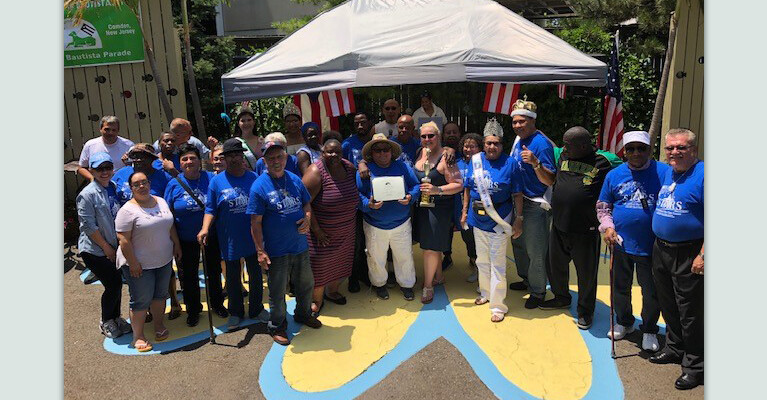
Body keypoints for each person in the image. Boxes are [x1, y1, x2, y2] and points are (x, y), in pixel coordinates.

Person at [597, 130, 666, 352]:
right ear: (624, 151)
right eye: (631, 149)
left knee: (651, 290)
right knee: (620, 286)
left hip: (651, 245)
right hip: (620, 243)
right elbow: (603, 206)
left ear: (649, 150)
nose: (636, 153)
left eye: (641, 148)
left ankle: (648, 329)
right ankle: (624, 321)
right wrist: (607, 227)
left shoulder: (664, 172)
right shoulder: (614, 175)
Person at [248, 139, 321, 345]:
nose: (276, 161)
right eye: (270, 158)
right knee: (277, 291)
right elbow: (255, 223)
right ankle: (277, 326)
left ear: (286, 157)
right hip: (276, 250)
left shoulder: (295, 179)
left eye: (279, 156)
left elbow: (306, 202)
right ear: (264, 161)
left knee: (306, 284)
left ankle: (303, 314)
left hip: (299, 245)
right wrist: (260, 251)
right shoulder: (259, 186)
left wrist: (307, 219)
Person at [648, 128, 704, 391]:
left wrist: (704, 255)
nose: (674, 152)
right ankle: (674, 347)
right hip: (661, 249)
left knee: (690, 312)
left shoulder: (704, 175)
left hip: (689, 253)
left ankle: (694, 366)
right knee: (667, 303)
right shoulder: (667, 171)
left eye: (681, 147)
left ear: (693, 149)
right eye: (670, 147)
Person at [540, 127, 612, 330]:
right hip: (560, 225)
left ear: (583, 146)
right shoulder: (564, 156)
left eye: (568, 144)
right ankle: (561, 297)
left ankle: (585, 311)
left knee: (586, 274)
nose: (564, 148)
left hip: (586, 230)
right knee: (554, 265)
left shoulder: (603, 163)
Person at [198, 138, 266, 330]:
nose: (235, 158)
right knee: (233, 277)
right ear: (225, 159)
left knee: (255, 274)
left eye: (237, 154)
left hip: (253, 236)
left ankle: (256, 308)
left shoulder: (254, 178)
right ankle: (236, 311)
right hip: (229, 236)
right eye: (230, 155)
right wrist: (205, 229)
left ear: (242, 156)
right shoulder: (217, 182)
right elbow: (210, 209)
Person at [461, 119, 523, 322]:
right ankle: (485, 293)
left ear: (501, 145)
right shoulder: (476, 160)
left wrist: (519, 219)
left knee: (497, 264)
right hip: (477, 219)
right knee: (482, 260)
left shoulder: (510, 163)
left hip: (499, 220)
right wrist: (464, 212)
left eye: (496, 143)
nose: (492, 147)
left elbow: (517, 194)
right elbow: (468, 188)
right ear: (484, 143)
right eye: (488, 143)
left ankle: (498, 306)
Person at [115, 171, 182, 352]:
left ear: (149, 183)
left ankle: (158, 325)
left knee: (160, 295)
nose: (141, 186)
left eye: (144, 182)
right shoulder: (127, 210)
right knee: (141, 300)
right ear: (131, 188)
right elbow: (123, 240)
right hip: (139, 264)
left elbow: (169, 225)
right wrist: (133, 263)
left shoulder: (160, 201)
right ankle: (138, 335)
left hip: (163, 259)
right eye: (136, 184)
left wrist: (176, 244)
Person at [164, 144, 228, 326]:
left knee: (214, 272)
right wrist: (175, 242)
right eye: (184, 159)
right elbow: (168, 215)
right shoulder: (173, 184)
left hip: (211, 236)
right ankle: (193, 309)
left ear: (200, 161)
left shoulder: (211, 179)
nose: (189, 162)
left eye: (192, 158)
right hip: (185, 239)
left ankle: (217, 303)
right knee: (188, 276)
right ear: (180, 163)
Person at [357, 133, 420, 301]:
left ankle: (406, 285)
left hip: (401, 222)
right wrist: (368, 204)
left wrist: (410, 197)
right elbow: (357, 194)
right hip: (375, 223)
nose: (382, 153)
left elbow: (416, 186)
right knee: (376, 258)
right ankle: (380, 285)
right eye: (378, 150)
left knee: (404, 255)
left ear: (391, 151)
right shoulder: (365, 171)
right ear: (372, 153)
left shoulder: (403, 167)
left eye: (386, 150)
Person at [76, 152, 131, 339]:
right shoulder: (87, 195)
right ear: (91, 170)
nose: (105, 172)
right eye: (100, 169)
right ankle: (106, 320)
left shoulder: (114, 187)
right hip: (95, 249)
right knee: (113, 284)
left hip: (113, 246)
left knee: (115, 283)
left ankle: (116, 317)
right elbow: (88, 226)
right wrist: (107, 248)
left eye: (108, 167)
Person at [507, 99, 556, 309]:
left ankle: (538, 291)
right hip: (517, 200)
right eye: (515, 122)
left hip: (535, 204)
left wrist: (536, 163)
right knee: (518, 243)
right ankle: (527, 279)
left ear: (532, 121)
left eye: (522, 121)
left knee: (535, 249)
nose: (517, 125)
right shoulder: (518, 140)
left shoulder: (541, 143)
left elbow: (551, 179)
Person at [301, 137, 358, 315]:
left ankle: (332, 291)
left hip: (346, 230)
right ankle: (316, 300)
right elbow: (304, 202)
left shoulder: (348, 167)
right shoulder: (315, 171)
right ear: (322, 152)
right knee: (319, 267)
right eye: (329, 151)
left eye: (337, 152)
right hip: (322, 233)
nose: (333, 155)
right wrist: (316, 230)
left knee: (340, 263)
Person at [413, 122, 464, 303]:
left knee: (430, 248)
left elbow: (458, 184)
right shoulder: (420, 152)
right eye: (424, 136)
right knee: (430, 244)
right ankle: (438, 276)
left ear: (438, 136)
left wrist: (438, 190)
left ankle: (428, 286)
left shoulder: (446, 158)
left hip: (439, 208)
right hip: (422, 207)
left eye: (431, 136)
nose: (427, 139)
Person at [342, 111, 374, 292]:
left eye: (363, 122)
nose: (360, 126)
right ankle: (353, 276)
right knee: (356, 242)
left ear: (369, 123)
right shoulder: (348, 144)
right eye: (357, 124)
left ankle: (367, 273)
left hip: (375, 199)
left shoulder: (377, 141)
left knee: (371, 241)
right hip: (354, 200)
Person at [455, 133, 483, 282]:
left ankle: (483, 269)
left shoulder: (484, 163)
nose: (469, 149)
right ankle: (474, 264)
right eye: (466, 146)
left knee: (481, 239)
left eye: (473, 146)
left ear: (479, 148)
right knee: (468, 239)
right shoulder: (457, 163)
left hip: (480, 209)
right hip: (462, 209)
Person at [78, 115, 134, 181]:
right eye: (107, 129)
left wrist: (128, 164)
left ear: (118, 131)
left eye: (114, 130)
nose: (110, 133)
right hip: (99, 183)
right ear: (100, 129)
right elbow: (81, 168)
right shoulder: (90, 145)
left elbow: (136, 167)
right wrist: (92, 179)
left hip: (122, 183)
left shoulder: (128, 145)